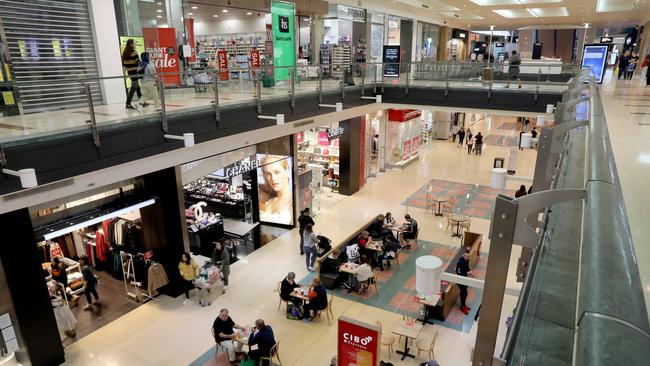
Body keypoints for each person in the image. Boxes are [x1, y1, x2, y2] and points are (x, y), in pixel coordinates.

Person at [258, 156, 293, 224]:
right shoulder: (265, 195)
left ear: (287, 171)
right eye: (268, 174)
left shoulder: (292, 202)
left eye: (277, 172)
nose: (273, 178)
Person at [122, 38, 142, 110]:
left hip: (130, 72)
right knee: (133, 88)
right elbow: (138, 62)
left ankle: (142, 101)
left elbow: (124, 64)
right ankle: (128, 104)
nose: (135, 44)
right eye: (134, 43)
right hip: (135, 72)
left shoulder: (125, 53)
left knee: (137, 87)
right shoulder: (134, 52)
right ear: (131, 44)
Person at [456, 248, 473, 315]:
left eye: (468, 256)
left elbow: (467, 267)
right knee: (463, 291)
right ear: (463, 255)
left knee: (465, 291)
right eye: (465, 256)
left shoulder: (467, 260)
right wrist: (467, 272)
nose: (467, 257)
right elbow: (458, 272)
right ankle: (462, 306)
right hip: (459, 279)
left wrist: (470, 272)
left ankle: (463, 305)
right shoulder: (460, 262)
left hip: (464, 278)